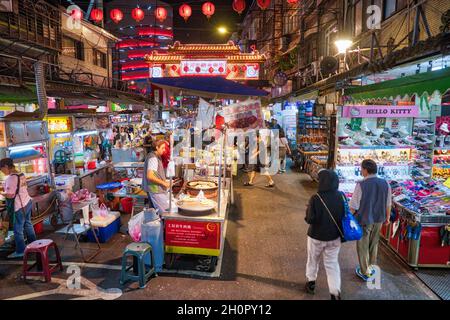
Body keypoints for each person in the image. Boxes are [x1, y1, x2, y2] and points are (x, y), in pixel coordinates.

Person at [305, 169, 345, 300]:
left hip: (316, 236)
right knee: (332, 264)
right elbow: (344, 215)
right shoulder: (341, 196)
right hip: (334, 237)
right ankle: (335, 292)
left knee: (313, 260)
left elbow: (310, 219)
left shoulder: (316, 198)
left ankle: (311, 283)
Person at [349, 159, 391, 281]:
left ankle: (365, 271)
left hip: (364, 219)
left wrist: (347, 219)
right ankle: (371, 267)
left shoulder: (361, 185)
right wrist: (387, 218)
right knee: (374, 243)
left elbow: (354, 206)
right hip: (379, 218)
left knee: (363, 245)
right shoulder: (385, 183)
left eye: (361, 169)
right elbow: (388, 203)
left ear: (366, 170)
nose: (361, 171)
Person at [0, 158, 36, 259]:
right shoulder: (21, 174)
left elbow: (10, 195)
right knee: (28, 224)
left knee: (18, 229)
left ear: (6, 166)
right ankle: (34, 246)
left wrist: (2, 193)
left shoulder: (11, 178)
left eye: (2, 169)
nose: (2, 171)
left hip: (19, 206)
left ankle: (21, 251)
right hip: (27, 202)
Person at [142, 140, 170, 213]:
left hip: (154, 189)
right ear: (157, 147)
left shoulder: (155, 156)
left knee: (155, 212)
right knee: (164, 213)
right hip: (155, 190)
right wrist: (164, 183)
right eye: (162, 148)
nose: (164, 150)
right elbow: (150, 176)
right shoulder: (153, 158)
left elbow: (156, 174)